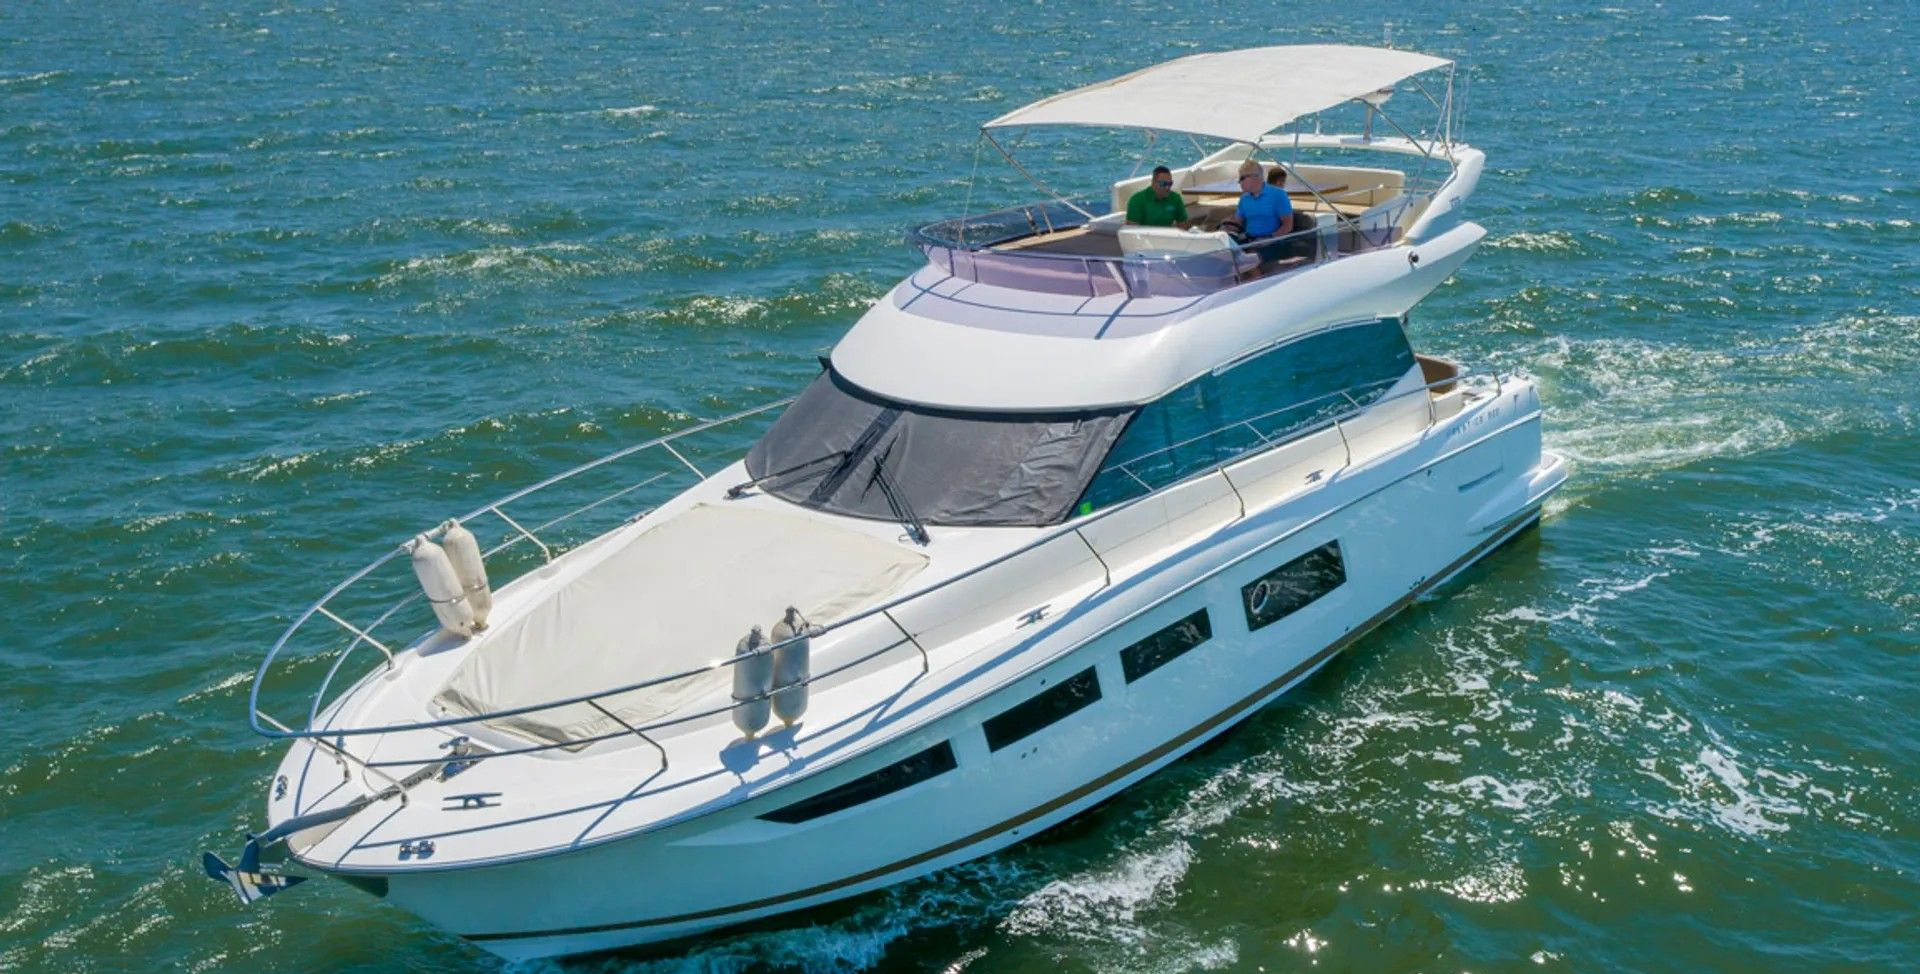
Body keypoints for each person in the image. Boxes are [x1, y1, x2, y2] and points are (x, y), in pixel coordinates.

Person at [1221, 159, 1293, 240]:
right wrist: (1229, 226)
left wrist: (1269, 238)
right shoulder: (1244, 198)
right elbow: (1239, 222)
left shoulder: (1279, 194)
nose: (1239, 182)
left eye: (1242, 178)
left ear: (1255, 177)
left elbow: (1288, 225)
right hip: (1249, 240)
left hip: (1272, 243)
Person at [1125, 165, 1189, 228]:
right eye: (1163, 184)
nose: (1167, 187)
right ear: (1153, 182)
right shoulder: (1137, 200)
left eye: (1170, 184)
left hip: (1167, 236)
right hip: (1145, 237)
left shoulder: (1175, 198)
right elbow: (1132, 230)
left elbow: (1183, 225)